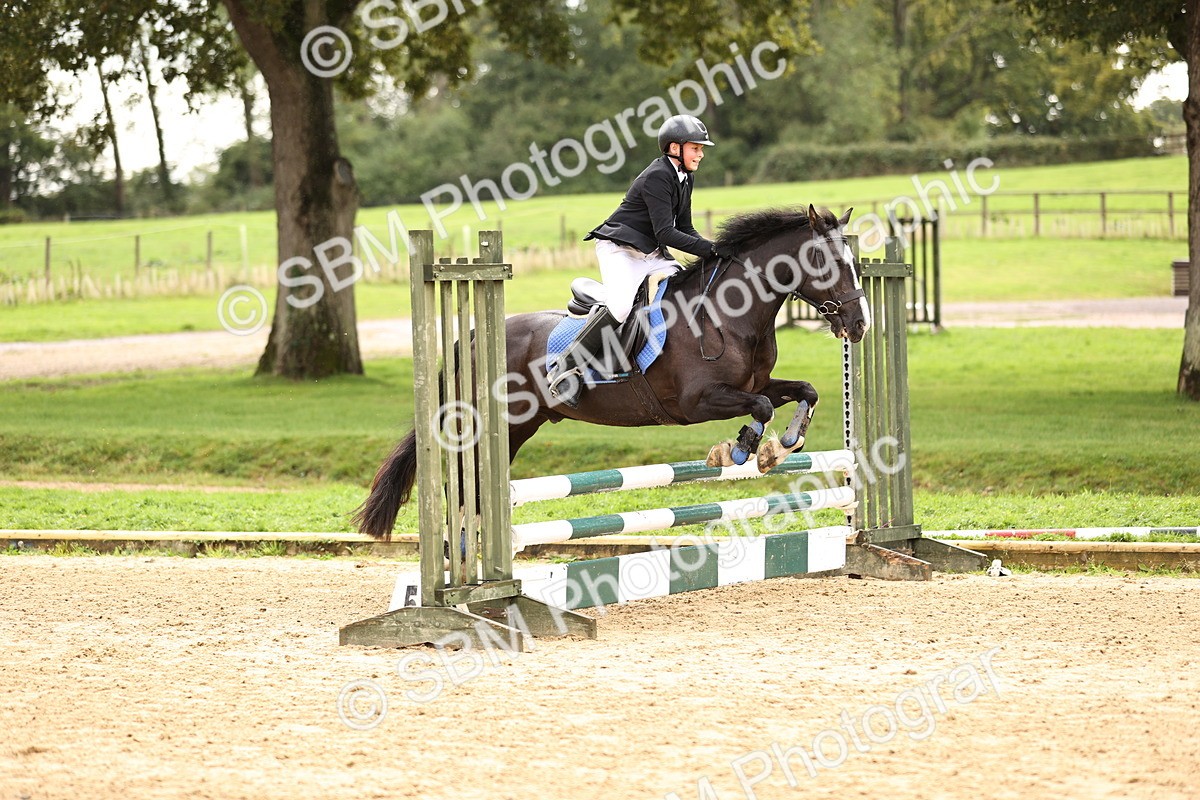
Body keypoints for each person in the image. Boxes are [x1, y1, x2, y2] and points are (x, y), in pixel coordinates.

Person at [548, 114, 735, 407]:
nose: (701, 153)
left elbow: (685, 228)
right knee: (621, 307)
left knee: (683, 289)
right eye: (695, 147)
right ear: (675, 148)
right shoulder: (658, 175)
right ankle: (565, 369)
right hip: (620, 249)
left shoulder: (685, 177)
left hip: (651, 253)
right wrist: (710, 250)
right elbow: (667, 232)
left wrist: (712, 251)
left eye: (701, 148)